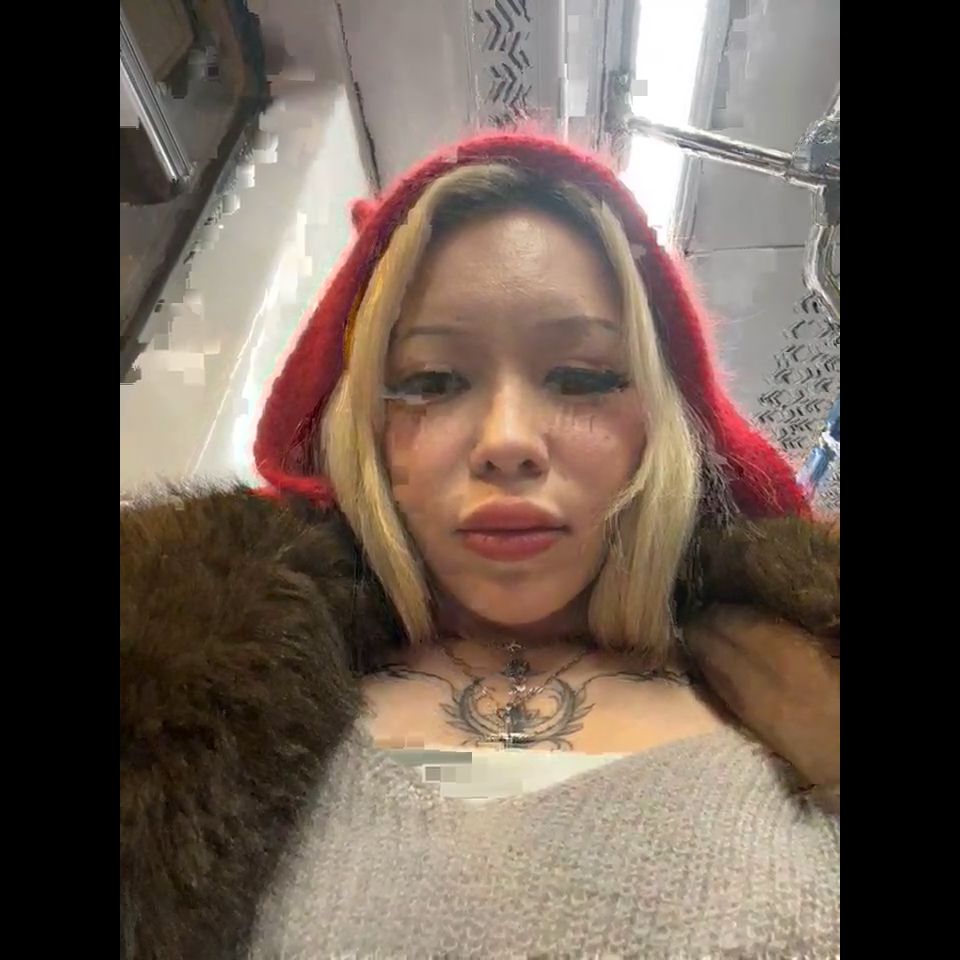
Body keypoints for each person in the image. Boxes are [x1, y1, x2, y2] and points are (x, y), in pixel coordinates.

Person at [120, 132, 840, 960]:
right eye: (432, 381)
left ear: (657, 425)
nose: (507, 441)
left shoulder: (802, 681)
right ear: (367, 430)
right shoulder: (165, 700)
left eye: (580, 377)